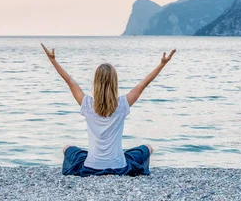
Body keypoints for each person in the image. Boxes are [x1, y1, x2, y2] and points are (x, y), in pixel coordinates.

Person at [41, 43, 176, 177]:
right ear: (114, 83)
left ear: (96, 82)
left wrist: (53, 61)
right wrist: (162, 64)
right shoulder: (123, 104)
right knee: (147, 148)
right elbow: (143, 84)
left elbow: (69, 81)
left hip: (91, 167)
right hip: (119, 167)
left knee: (67, 148)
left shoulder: (87, 104)